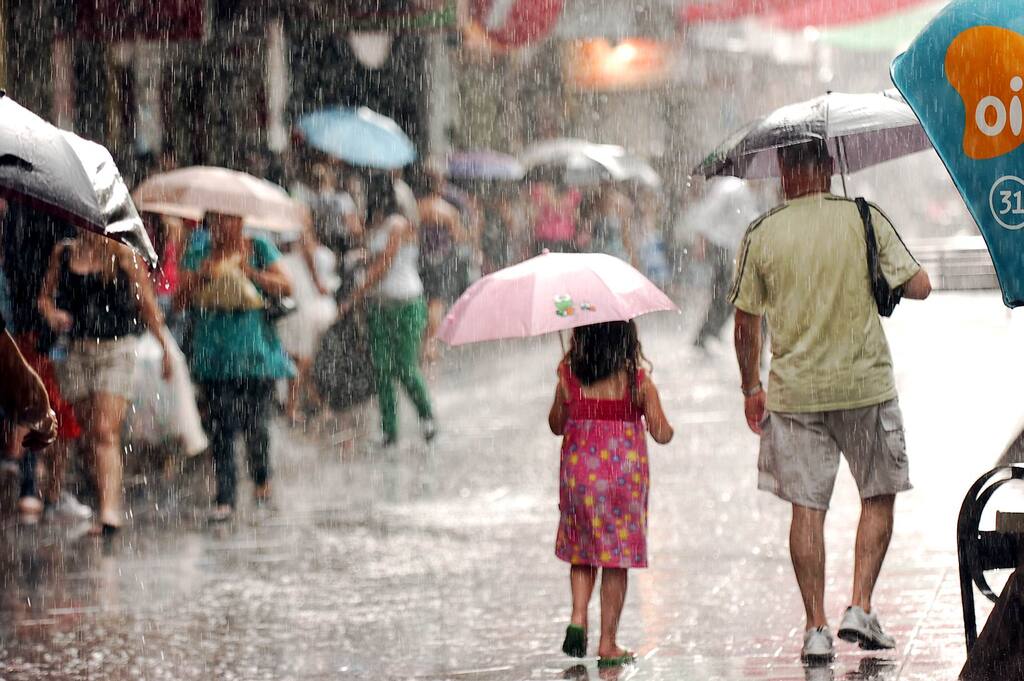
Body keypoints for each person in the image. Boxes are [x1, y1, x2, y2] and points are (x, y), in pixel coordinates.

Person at [729, 139, 932, 663]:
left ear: (783, 169)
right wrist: (872, 266)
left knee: (807, 509)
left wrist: (751, 386)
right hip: (864, 386)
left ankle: (815, 627)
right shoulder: (863, 218)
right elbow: (920, 286)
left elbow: (746, 323)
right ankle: (860, 606)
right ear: (829, 166)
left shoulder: (762, 233)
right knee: (878, 493)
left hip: (796, 393)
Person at [548, 321, 673, 668]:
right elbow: (661, 433)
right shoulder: (637, 382)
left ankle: (578, 616)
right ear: (627, 341)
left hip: (580, 481)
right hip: (623, 485)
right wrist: (661, 421)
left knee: (582, 552)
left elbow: (556, 425)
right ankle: (608, 642)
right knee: (615, 561)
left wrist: (566, 394)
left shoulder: (569, 378)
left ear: (581, 339)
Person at [38, 230, 172, 537]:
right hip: (75, 353)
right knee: (90, 434)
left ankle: (109, 511)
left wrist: (164, 346)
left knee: (104, 431)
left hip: (116, 350)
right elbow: (44, 297)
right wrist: (53, 313)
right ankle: (102, 499)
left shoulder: (124, 255)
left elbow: (146, 303)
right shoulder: (64, 252)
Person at [175, 212, 294, 522]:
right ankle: (225, 495)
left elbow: (287, 286)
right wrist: (201, 275)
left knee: (257, 426)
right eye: (215, 221)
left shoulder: (258, 247)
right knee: (221, 429)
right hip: (213, 356)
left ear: (240, 221)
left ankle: (262, 479)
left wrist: (250, 273)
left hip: (256, 355)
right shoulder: (198, 252)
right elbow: (178, 302)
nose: (221, 227)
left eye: (227, 220)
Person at [340, 174, 435, 447]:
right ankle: (389, 430)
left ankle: (426, 416)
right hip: (379, 306)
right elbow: (375, 258)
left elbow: (384, 265)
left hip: (406, 304)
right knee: (382, 368)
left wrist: (354, 296)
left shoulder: (398, 224)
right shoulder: (377, 225)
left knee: (405, 367)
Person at [690, 177, 762, 350]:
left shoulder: (750, 194)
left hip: (731, 249)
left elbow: (747, 221)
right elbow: (709, 212)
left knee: (728, 293)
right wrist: (701, 241)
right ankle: (705, 334)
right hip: (718, 245)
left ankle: (710, 331)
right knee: (725, 292)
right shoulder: (731, 188)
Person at [413, 167, 466, 361]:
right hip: (440, 260)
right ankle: (430, 344)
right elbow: (458, 236)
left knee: (422, 301)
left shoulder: (416, 207)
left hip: (419, 260)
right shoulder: (447, 210)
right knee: (436, 302)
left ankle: (419, 341)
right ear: (438, 185)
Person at [529, 180, 582, 254]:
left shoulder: (571, 196)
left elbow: (576, 217)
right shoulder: (540, 193)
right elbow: (534, 216)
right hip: (549, 237)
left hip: (561, 238)